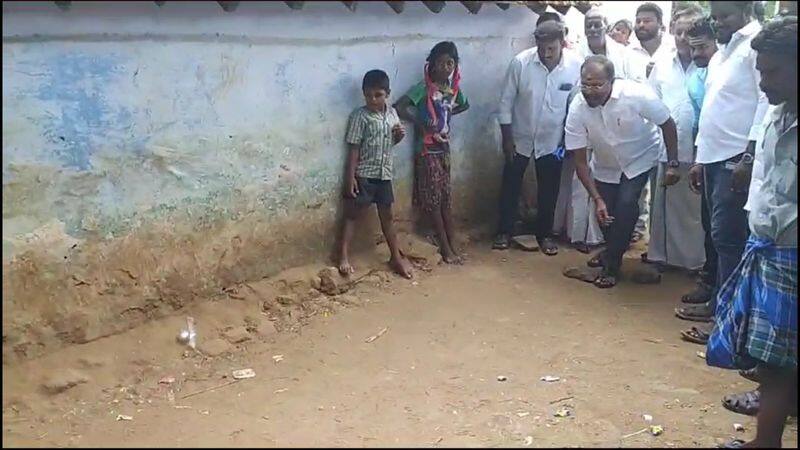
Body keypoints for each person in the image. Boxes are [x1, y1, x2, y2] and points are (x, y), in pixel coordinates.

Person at [706, 15, 797, 448]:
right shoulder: (778, 116)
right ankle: (767, 443)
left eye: (773, 71)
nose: (763, 82)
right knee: (776, 361)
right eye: (760, 71)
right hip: (773, 251)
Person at [676, 1, 768, 324]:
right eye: (714, 17)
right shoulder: (723, 52)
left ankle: (727, 319)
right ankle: (719, 303)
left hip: (735, 157)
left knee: (729, 238)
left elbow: (764, 102)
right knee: (717, 236)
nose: (718, 23)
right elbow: (712, 110)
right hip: (713, 158)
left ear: (747, 10)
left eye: (724, 15)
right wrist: (701, 159)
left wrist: (748, 156)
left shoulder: (756, 45)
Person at [564, 55, 681, 288]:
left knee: (627, 204)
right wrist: (596, 199)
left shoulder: (636, 95)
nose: (589, 90)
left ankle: (611, 266)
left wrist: (673, 162)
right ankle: (612, 251)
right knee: (605, 214)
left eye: (597, 85)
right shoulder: (577, 107)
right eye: (585, 84)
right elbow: (580, 161)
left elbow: (667, 123)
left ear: (611, 82)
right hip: (605, 165)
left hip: (639, 158)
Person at [492, 19, 581, 254]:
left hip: (552, 141)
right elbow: (505, 103)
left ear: (562, 43)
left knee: (549, 189)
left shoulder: (575, 66)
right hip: (519, 137)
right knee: (510, 185)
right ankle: (503, 231)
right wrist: (506, 138)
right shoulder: (521, 63)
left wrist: (567, 140)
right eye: (542, 49)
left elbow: (575, 107)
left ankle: (545, 235)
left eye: (551, 49)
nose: (546, 54)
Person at [553, 7, 636, 252]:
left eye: (597, 24)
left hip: (613, 126)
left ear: (606, 26)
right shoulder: (575, 54)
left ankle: (603, 237)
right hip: (581, 119)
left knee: (607, 183)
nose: (592, 29)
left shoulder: (622, 54)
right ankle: (579, 234)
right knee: (580, 181)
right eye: (588, 24)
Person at [395, 42, 469, 264]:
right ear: (432, 65)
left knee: (445, 197)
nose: (446, 68)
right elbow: (400, 106)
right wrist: (422, 122)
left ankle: (451, 243)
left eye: (450, 63)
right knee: (435, 199)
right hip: (426, 149)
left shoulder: (452, 90)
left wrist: (446, 115)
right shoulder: (423, 89)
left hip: (443, 148)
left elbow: (465, 105)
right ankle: (446, 247)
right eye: (441, 63)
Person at [645, 6, 706, 271]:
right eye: (678, 31)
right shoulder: (662, 65)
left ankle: (693, 262)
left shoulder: (708, 63)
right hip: (666, 147)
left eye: (688, 32)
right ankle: (661, 257)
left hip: (697, 149)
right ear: (671, 31)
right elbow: (652, 102)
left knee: (693, 211)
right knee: (663, 208)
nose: (682, 37)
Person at [338, 70, 413, 279]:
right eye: (368, 95)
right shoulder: (359, 116)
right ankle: (343, 255)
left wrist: (397, 137)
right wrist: (350, 177)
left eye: (378, 95)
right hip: (364, 173)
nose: (372, 99)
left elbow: (389, 143)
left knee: (387, 217)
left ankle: (395, 257)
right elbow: (354, 148)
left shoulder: (392, 115)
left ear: (387, 93)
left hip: (384, 173)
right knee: (352, 214)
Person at [678, 15, 721, 346]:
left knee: (724, 234)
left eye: (702, 47)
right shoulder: (700, 71)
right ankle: (710, 286)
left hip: (726, 156)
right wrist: (699, 158)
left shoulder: (727, 64)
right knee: (711, 227)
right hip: (706, 153)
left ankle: (720, 306)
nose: (696, 54)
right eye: (692, 48)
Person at [629, 2, 676, 242]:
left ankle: (658, 244)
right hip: (636, 133)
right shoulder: (627, 53)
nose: (641, 25)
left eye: (647, 20)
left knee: (661, 192)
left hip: (667, 132)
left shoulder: (673, 53)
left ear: (661, 24)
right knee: (634, 189)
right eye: (638, 21)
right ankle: (633, 233)